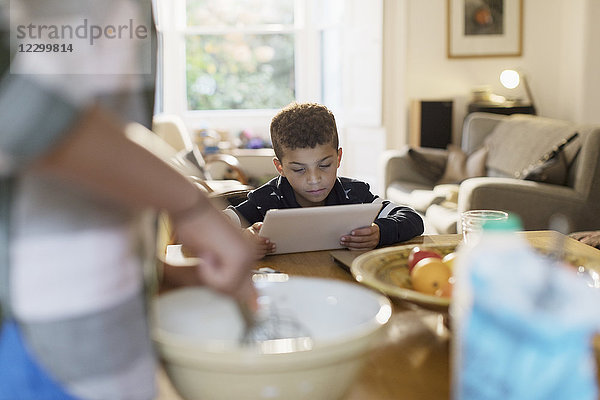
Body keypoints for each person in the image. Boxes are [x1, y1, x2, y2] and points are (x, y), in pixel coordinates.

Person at [0, 1, 255, 399]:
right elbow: (17, 106)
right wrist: (189, 205)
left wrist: (158, 271)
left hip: (107, 332)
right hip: (35, 341)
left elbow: (96, 128)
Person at [225, 102, 424, 258]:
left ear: (338, 158)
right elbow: (214, 225)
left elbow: (411, 218)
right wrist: (241, 238)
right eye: (299, 169)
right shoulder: (265, 200)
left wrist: (380, 232)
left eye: (324, 165)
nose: (314, 179)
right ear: (280, 168)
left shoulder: (354, 194)